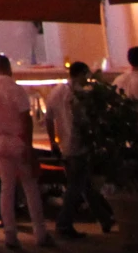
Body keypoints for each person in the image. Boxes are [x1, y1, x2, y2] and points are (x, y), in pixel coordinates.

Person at [0, 55, 53, 251]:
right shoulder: (17, 89)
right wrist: (29, 147)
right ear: (9, 67)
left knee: (7, 188)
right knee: (30, 186)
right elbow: (25, 119)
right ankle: (40, 233)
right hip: (18, 139)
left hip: (0, 140)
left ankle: (10, 235)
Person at [44, 60, 112, 235]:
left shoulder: (55, 92)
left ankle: (104, 218)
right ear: (81, 73)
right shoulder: (80, 95)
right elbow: (86, 121)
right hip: (78, 145)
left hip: (65, 146)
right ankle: (64, 223)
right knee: (76, 186)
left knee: (84, 184)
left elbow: (48, 118)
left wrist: (53, 142)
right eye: (86, 76)